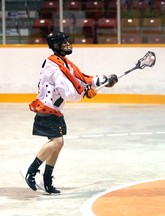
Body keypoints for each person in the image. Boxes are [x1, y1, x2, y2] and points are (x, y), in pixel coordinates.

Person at [21, 31, 118, 194]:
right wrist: (85, 92)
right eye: (63, 42)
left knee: (59, 143)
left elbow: (81, 78)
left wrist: (103, 81)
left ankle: (46, 180)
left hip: (55, 110)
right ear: (55, 46)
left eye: (67, 41)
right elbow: (67, 92)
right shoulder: (54, 66)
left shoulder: (64, 62)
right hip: (47, 109)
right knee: (57, 142)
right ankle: (30, 171)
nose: (67, 44)